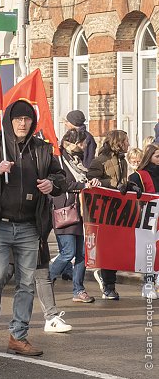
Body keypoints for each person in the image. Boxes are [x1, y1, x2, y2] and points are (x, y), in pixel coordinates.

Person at [0, 100, 66, 356]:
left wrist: (52, 185)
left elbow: (61, 177)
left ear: (33, 122)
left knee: (27, 284)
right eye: (18, 119)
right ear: (10, 120)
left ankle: (18, 336)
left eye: (28, 119)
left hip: (30, 227)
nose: (23, 123)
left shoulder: (41, 149)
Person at [49, 129, 99, 304]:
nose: (85, 146)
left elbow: (82, 180)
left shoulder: (76, 162)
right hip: (64, 210)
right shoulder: (58, 160)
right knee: (68, 252)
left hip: (79, 211)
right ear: (71, 143)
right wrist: (83, 185)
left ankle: (79, 289)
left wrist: (90, 183)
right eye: (82, 143)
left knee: (81, 254)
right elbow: (63, 184)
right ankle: (46, 279)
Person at [87, 129, 130, 300]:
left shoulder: (123, 161)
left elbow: (123, 181)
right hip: (104, 211)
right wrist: (113, 184)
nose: (128, 144)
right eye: (126, 141)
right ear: (118, 142)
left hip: (120, 210)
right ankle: (108, 286)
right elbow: (92, 180)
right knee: (108, 248)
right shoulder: (100, 161)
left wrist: (129, 186)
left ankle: (108, 281)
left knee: (118, 248)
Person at [128, 142, 159, 299]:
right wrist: (133, 188)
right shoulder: (140, 174)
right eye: (157, 156)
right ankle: (147, 284)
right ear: (150, 157)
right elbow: (130, 185)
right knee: (149, 252)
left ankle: (156, 282)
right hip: (148, 220)